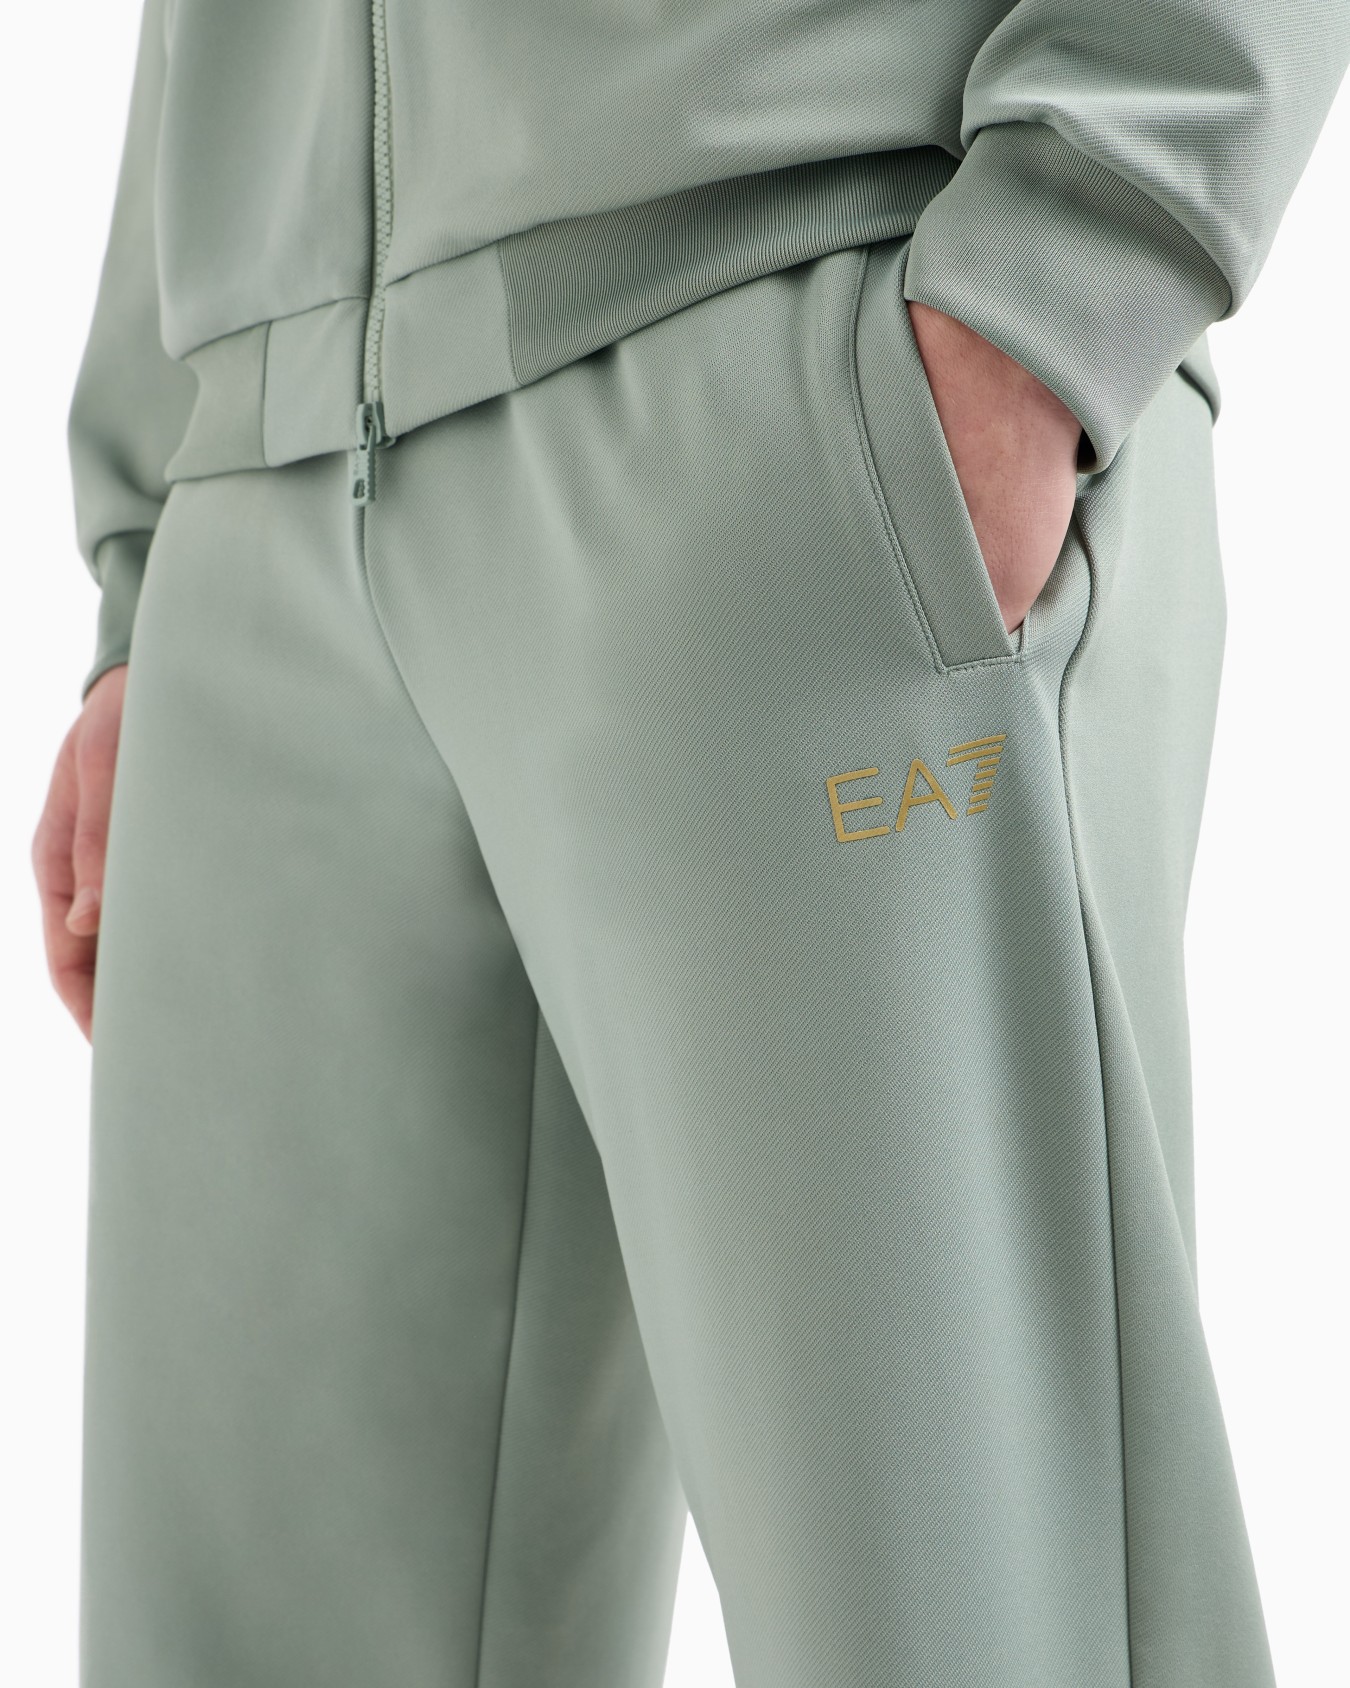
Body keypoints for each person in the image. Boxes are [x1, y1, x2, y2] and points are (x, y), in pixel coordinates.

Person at [32, 1, 1348, 1683]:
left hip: (800, 340)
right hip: (261, 471)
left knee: (973, 1623)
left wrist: (1074, 242)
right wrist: (151, 541)